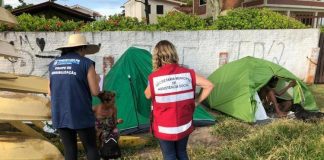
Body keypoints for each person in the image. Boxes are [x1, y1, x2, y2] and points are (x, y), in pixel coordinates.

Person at [144, 40, 214, 160]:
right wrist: (196, 102)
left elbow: (147, 95)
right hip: (184, 124)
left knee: (169, 155)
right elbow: (209, 85)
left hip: (164, 127)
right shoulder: (187, 73)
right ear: (174, 53)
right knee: (182, 152)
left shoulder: (154, 78)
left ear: (157, 57)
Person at [48, 34, 101, 160]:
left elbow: (50, 92)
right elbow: (95, 91)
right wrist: (97, 79)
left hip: (60, 112)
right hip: (81, 112)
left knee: (69, 149)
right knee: (90, 147)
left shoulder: (53, 64)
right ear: (82, 48)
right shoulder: (86, 63)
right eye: (86, 51)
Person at [93, 91, 123, 159]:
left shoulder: (113, 109)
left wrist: (117, 122)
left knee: (116, 131)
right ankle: (102, 152)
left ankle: (110, 151)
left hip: (109, 130)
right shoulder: (95, 109)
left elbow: (114, 124)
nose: (114, 103)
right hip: (98, 131)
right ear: (105, 102)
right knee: (100, 135)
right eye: (112, 102)